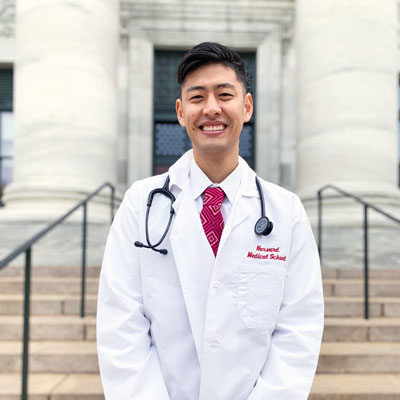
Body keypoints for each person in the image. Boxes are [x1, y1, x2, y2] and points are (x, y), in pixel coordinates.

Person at [97, 42, 324, 400]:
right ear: (181, 112)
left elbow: (298, 328)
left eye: (224, 94)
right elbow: (120, 322)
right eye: (197, 97)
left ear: (246, 107)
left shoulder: (286, 212)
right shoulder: (140, 204)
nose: (212, 109)